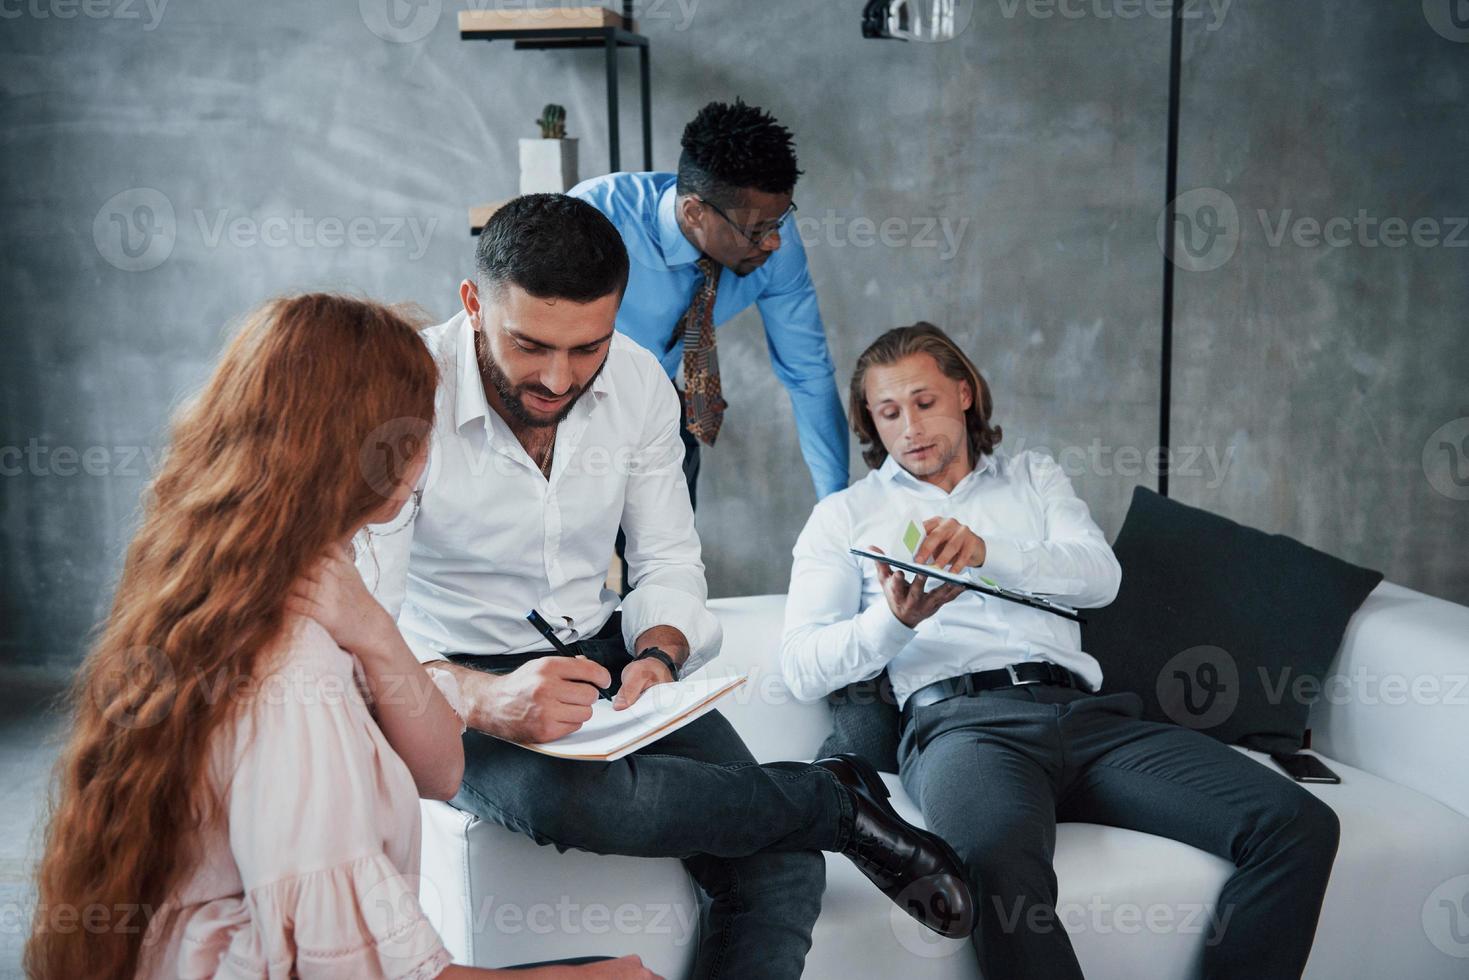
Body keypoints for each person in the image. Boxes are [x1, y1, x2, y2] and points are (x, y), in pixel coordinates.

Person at [362, 195, 974, 980]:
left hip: (604, 647)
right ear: (473, 304)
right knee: (571, 802)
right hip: (450, 676)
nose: (558, 378)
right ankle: (831, 801)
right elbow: (366, 631)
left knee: (781, 866)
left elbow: (666, 562)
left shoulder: (641, 381)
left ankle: (817, 806)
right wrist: (486, 700)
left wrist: (657, 653)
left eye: (587, 347)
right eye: (530, 346)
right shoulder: (401, 396)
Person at [25, 295, 659, 980]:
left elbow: (439, 772)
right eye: (422, 428)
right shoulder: (291, 674)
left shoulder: (248, 579)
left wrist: (376, 634)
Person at [780, 322, 1342, 980]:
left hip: (1091, 721)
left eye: (924, 401)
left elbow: (1098, 579)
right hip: (963, 730)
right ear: (871, 425)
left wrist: (989, 551)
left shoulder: (1031, 477)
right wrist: (894, 624)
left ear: (963, 393)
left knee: (1297, 824)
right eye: (888, 412)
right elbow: (800, 666)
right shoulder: (844, 516)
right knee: (990, 861)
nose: (909, 427)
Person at [570, 98, 848, 509]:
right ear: (695, 213)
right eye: (756, 230)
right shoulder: (595, 217)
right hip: (570, 403)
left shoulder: (776, 248)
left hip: (657, 402)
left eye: (779, 222)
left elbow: (808, 375)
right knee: (570, 561)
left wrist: (838, 511)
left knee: (667, 561)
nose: (773, 242)